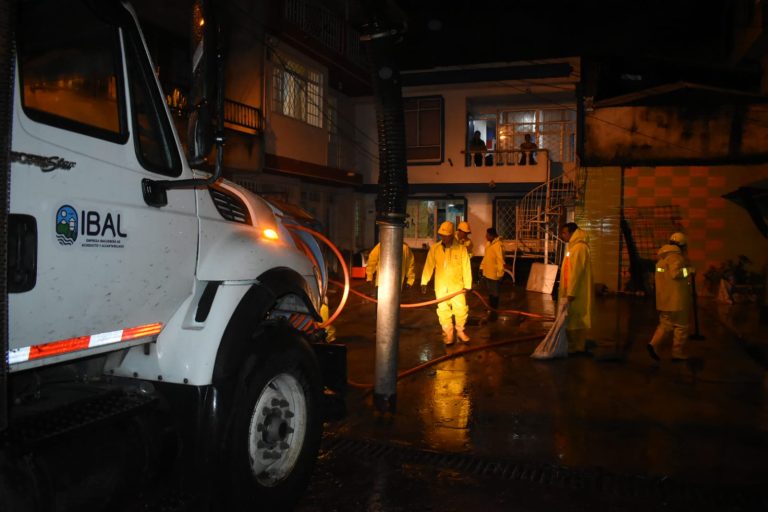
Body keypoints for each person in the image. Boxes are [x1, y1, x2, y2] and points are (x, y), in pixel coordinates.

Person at [421, 221, 473, 345]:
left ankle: (460, 331)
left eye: (446, 235)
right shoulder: (435, 248)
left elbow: (466, 267)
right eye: (441, 235)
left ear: (451, 234)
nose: (443, 237)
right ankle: (448, 333)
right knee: (443, 310)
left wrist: (468, 285)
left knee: (461, 309)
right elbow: (429, 265)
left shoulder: (461, 249)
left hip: (457, 286)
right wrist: (424, 281)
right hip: (441, 286)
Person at [647, 232, 693, 362]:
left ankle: (653, 344)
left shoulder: (662, 258)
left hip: (665, 299)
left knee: (665, 324)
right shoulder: (676, 257)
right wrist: (689, 271)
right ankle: (677, 352)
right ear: (683, 246)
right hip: (678, 300)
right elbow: (675, 274)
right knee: (681, 326)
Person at [558, 222, 593, 355]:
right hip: (572, 290)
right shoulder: (574, 247)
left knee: (576, 319)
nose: (562, 236)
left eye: (564, 233)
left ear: (572, 233)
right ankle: (576, 345)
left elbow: (576, 272)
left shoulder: (578, 248)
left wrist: (571, 292)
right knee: (573, 318)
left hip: (575, 292)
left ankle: (577, 347)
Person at [479, 227, 504, 322]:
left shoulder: (498, 245)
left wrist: (500, 273)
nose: (485, 237)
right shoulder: (488, 244)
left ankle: (494, 309)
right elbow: (486, 257)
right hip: (487, 273)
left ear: (492, 235)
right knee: (490, 292)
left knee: (495, 293)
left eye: (487, 235)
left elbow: (500, 260)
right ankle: (491, 307)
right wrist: (481, 267)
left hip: (494, 274)